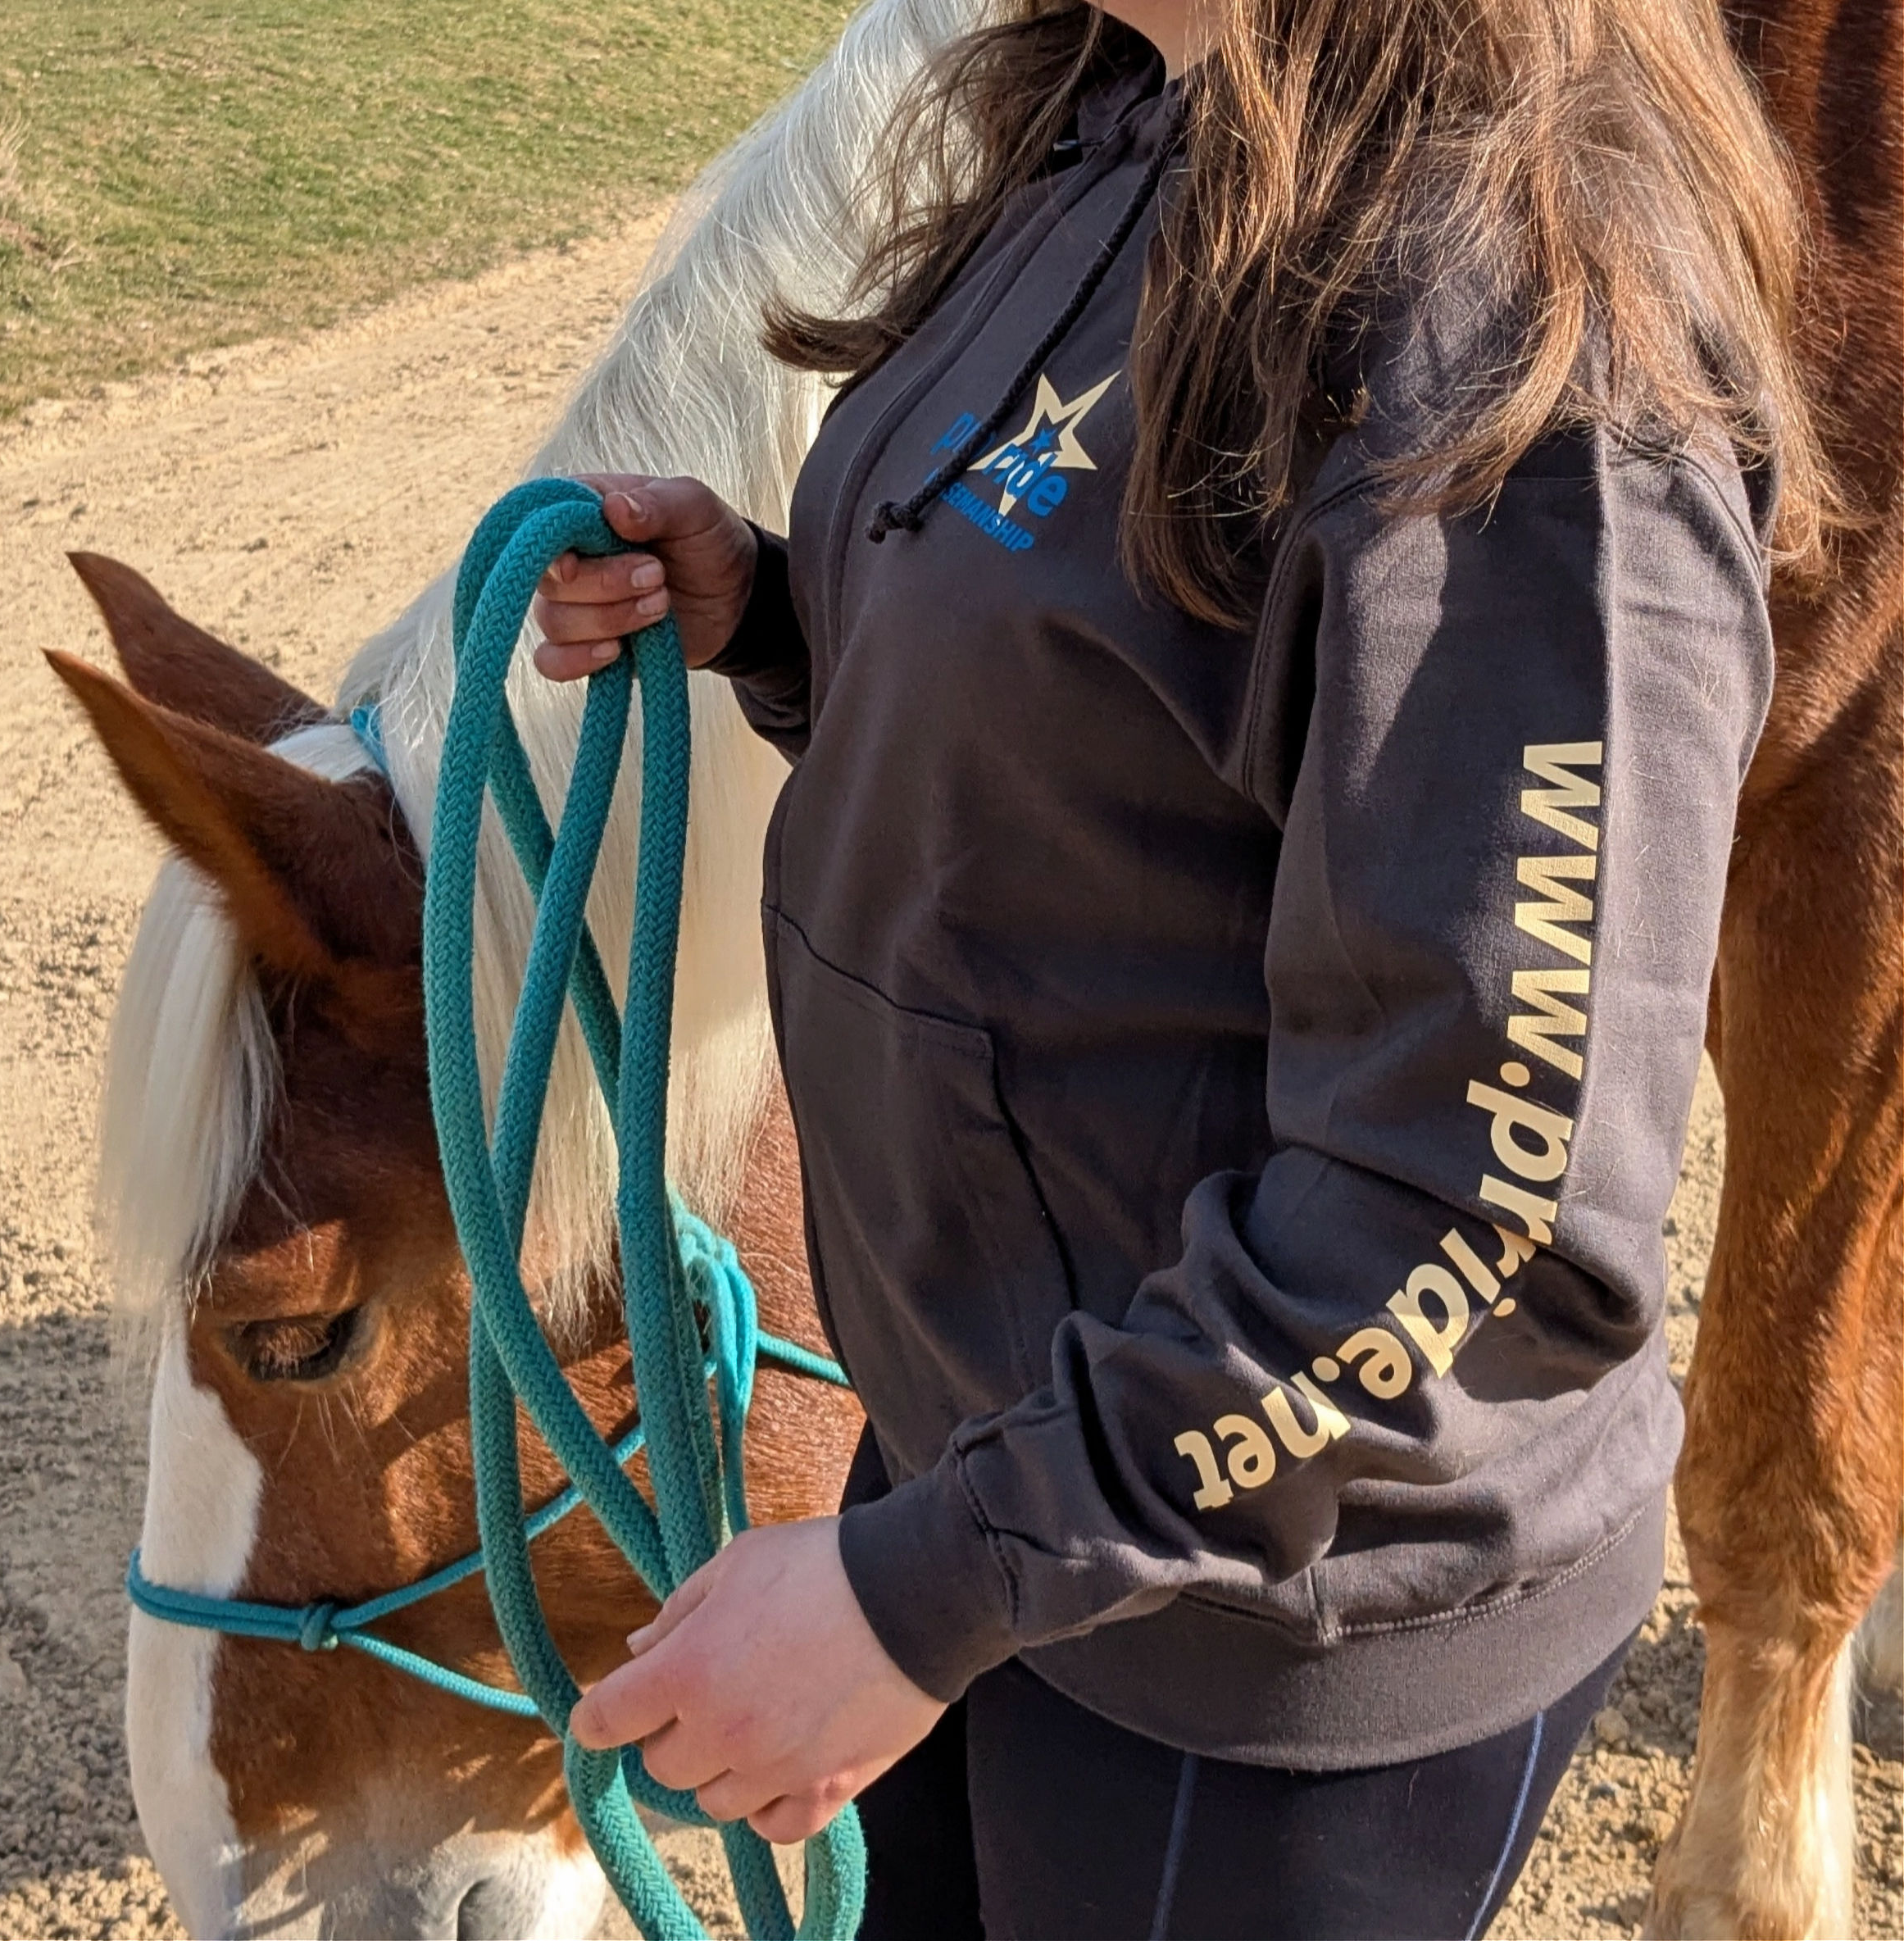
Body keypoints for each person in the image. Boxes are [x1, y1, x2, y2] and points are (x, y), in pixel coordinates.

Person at [534, 0, 1826, 1933]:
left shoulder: (1521, 363)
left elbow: (1472, 1230)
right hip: (1033, 1466)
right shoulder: (1127, 111)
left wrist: (917, 1587)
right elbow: (1148, 716)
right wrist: (788, 620)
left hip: (1257, 1637)